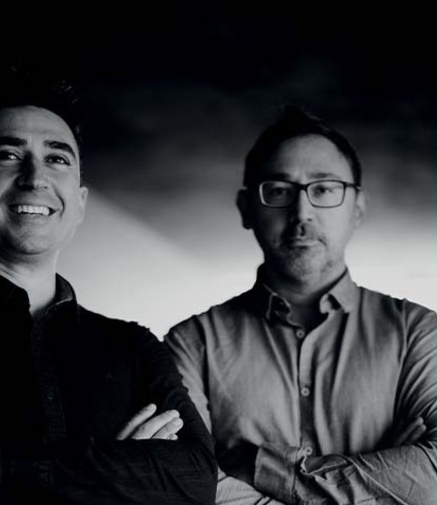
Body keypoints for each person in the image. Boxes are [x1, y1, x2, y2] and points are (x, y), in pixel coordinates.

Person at [0, 68, 217, 505]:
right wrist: (120, 471)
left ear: (80, 204)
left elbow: (196, 478)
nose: (34, 178)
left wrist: (11, 464)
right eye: (7, 155)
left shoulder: (133, 346)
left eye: (57, 159)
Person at [165, 105, 437, 504]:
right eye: (278, 190)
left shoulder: (419, 333)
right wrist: (385, 480)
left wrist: (256, 467)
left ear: (358, 208)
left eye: (324, 189)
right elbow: (187, 482)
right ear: (246, 208)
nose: (301, 212)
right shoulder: (192, 344)